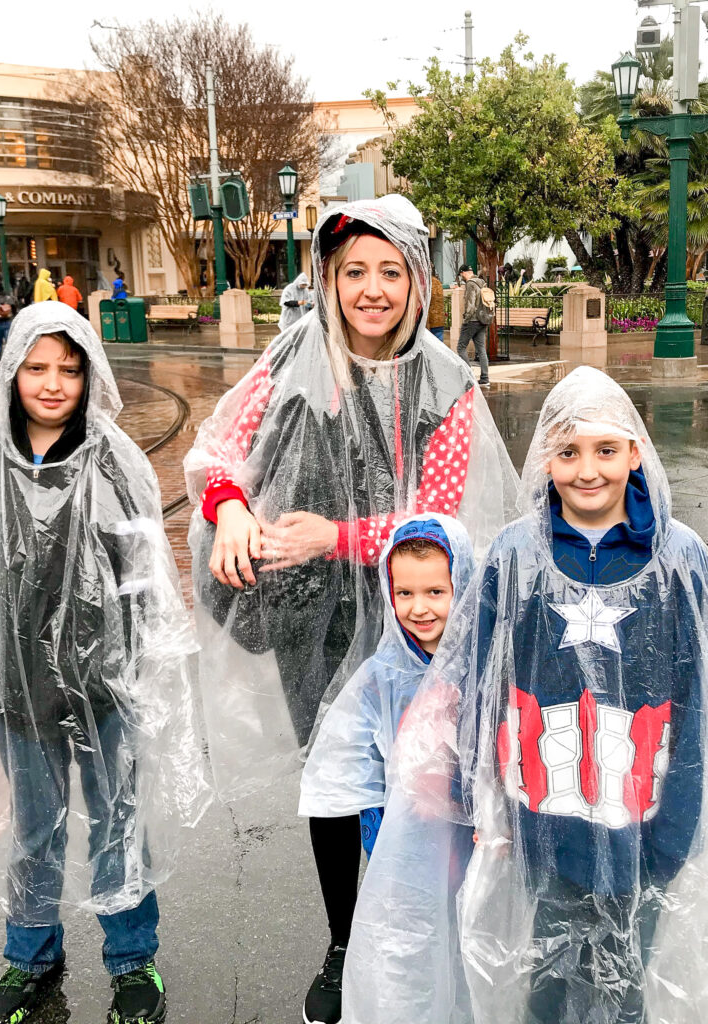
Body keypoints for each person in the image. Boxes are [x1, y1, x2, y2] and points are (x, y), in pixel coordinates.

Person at [185, 194, 518, 1024]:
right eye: (353, 272)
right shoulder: (292, 356)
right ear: (328, 281)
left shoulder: (445, 383)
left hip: (416, 620)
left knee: (424, 781)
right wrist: (227, 506)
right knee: (336, 780)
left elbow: (436, 524)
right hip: (313, 622)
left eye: (390, 272)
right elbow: (221, 447)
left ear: (416, 282)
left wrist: (334, 536)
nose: (372, 289)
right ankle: (344, 942)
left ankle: (424, 935)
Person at [343, 366, 708, 1024]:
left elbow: (696, 701)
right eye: (568, 452)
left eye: (605, 449)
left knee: (625, 989)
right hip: (546, 830)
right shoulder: (515, 558)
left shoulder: (679, 561)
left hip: (642, 830)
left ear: (635, 449)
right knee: (546, 983)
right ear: (545, 456)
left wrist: (674, 836)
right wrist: (488, 807)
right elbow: (481, 688)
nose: (587, 470)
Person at [0, 303, 210, 1024]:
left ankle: (131, 959)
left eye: (69, 368)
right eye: (36, 367)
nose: (53, 384)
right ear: (12, 372)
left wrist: (136, 663)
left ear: (90, 374)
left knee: (118, 818)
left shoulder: (114, 458)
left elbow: (145, 574)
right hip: (14, 681)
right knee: (36, 825)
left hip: (104, 679)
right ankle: (29, 955)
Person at [299, 514, 475, 1024]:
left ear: (461, 586)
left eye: (437, 592)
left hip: (473, 837)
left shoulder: (486, 663)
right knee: (412, 933)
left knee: (464, 932)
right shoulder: (382, 674)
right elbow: (339, 771)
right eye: (405, 593)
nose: (419, 609)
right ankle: (348, 953)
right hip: (405, 838)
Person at [456, 264, 491, 387]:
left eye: (461, 275)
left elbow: (470, 304)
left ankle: (469, 377)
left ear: (463, 273)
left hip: (472, 320)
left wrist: (466, 318)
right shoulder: (482, 282)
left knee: (461, 347)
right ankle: (485, 378)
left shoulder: (471, 284)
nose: (461, 277)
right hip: (483, 319)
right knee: (481, 349)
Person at [427, 271, 446, 342]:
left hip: (430, 321)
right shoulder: (438, 282)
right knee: (439, 344)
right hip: (439, 319)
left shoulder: (427, 282)